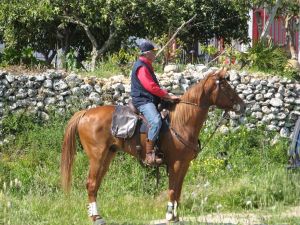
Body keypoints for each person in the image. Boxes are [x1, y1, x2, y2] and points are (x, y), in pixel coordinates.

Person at [130, 40, 180, 166]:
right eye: (153, 52)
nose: (155, 55)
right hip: (143, 100)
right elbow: (150, 87)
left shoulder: (146, 64)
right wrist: (167, 95)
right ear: (147, 53)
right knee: (156, 121)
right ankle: (149, 154)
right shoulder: (141, 67)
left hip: (148, 98)